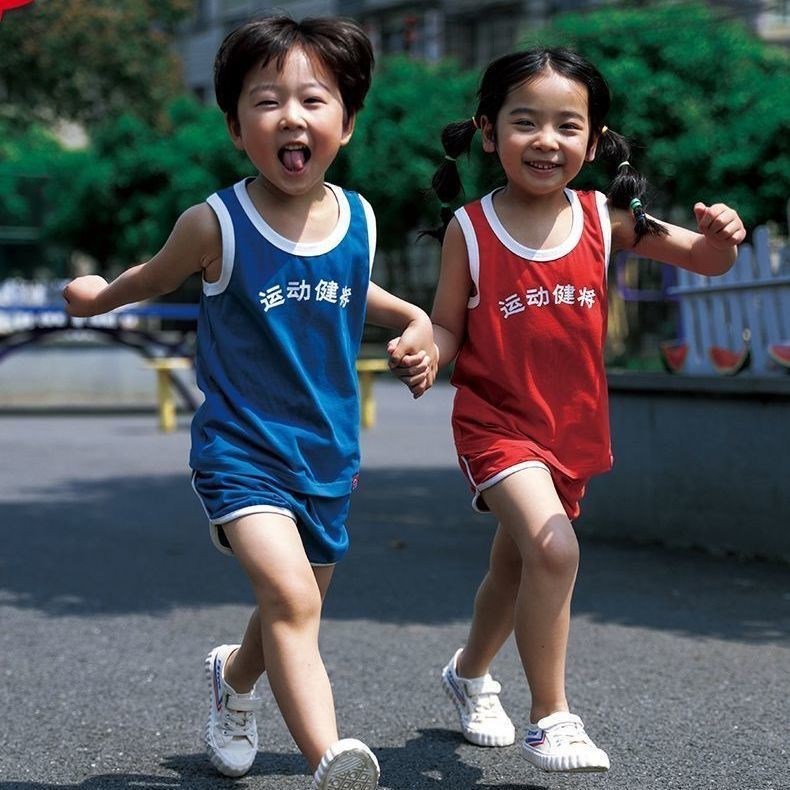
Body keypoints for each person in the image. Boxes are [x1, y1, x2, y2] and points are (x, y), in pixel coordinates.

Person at [63, 16, 434, 790]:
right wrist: (98, 299)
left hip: (327, 455)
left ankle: (233, 683)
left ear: (347, 122)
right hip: (241, 452)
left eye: (313, 99)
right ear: (236, 128)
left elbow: (350, 290)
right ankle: (330, 757)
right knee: (294, 598)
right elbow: (153, 277)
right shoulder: (216, 223)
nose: (291, 117)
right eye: (267, 101)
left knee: (287, 608)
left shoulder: (360, 219)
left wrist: (416, 321)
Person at [391, 47, 745, 774]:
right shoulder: (470, 229)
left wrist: (723, 237)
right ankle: (551, 717)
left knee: (515, 569)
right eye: (525, 122)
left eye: (567, 125)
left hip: (570, 429)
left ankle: (467, 673)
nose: (546, 140)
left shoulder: (607, 219)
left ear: (594, 140)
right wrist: (426, 347)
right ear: (488, 132)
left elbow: (707, 261)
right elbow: (449, 326)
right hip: (495, 423)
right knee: (554, 549)